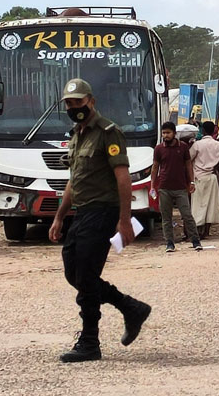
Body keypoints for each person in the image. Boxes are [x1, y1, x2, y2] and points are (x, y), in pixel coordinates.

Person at [48, 78, 151, 363]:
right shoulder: (77, 134)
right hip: (82, 212)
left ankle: (90, 341)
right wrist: (59, 217)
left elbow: (122, 177)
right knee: (75, 273)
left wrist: (125, 220)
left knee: (87, 276)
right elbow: (74, 180)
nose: (73, 108)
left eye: (78, 102)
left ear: (91, 101)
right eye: (68, 103)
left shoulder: (109, 132)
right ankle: (130, 307)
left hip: (103, 211)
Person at [151, 121, 199, 253]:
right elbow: (155, 167)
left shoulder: (183, 147)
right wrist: (152, 186)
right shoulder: (159, 149)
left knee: (187, 215)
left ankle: (195, 241)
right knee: (166, 217)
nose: (165, 135)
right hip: (164, 187)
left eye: (168, 133)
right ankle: (169, 243)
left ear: (174, 134)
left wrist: (192, 182)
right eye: (164, 133)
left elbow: (188, 165)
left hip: (180, 188)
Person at [188, 121, 219, 240]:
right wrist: (217, 164)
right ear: (213, 131)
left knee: (197, 205)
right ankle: (206, 232)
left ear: (203, 131)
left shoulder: (197, 145)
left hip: (199, 177)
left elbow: (188, 158)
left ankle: (197, 231)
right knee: (211, 205)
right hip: (212, 176)